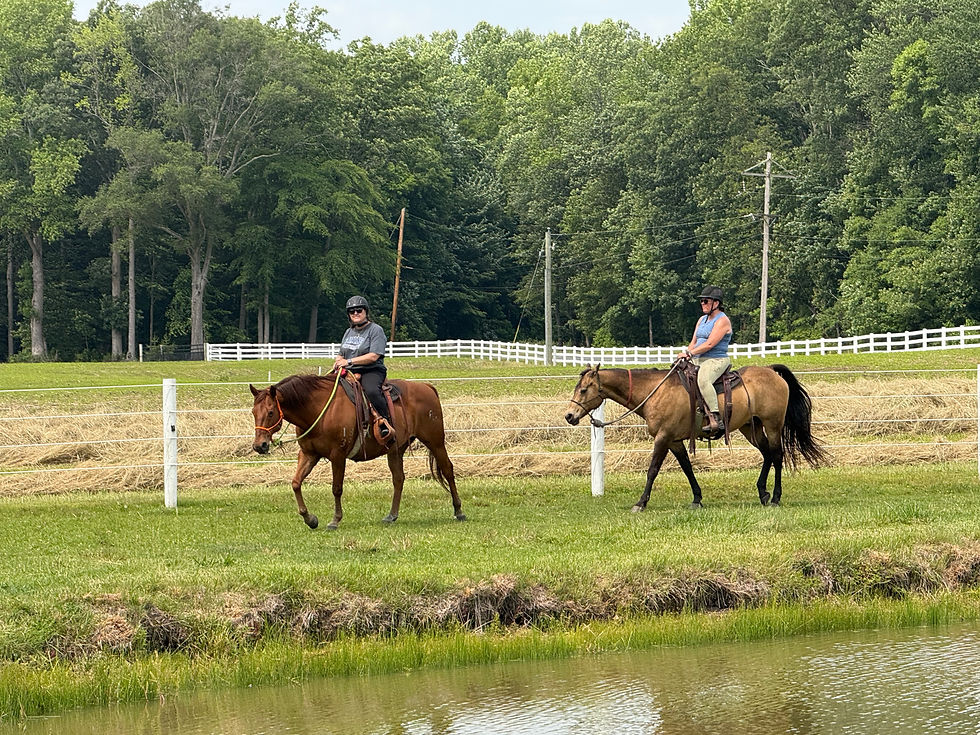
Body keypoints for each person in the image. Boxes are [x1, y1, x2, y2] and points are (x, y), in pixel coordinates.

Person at [332, 295, 395, 443]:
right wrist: (338, 360)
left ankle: (385, 422)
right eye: (352, 311)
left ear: (366, 311)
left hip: (371, 370)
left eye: (358, 310)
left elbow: (373, 356)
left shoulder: (375, 330)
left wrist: (348, 361)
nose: (355, 314)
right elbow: (342, 352)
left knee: (372, 390)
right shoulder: (349, 332)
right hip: (350, 370)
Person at [677, 285, 733, 435]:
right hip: (698, 358)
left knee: (703, 380)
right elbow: (693, 342)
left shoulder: (723, 321)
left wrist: (689, 353)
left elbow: (709, 344)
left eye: (706, 301)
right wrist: (687, 354)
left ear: (716, 303)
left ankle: (715, 416)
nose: (702, 303)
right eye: (701, 301)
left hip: (716, 359)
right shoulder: (702, 320)